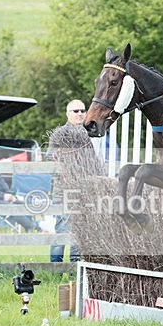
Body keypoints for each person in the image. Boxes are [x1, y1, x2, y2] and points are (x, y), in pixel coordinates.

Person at [46, 99, 105, 262]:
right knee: (63, 229)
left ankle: (75, 267)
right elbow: (51, 159)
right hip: (64, 190)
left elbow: (93, 161)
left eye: (82, 111)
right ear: (68, 114)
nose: (79, 114)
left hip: (84, 190)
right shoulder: (60, 134)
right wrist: (68, 172)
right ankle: (55, 267)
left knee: (80, 231)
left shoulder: (87, 135)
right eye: (75, 111)